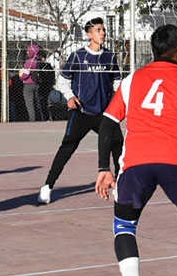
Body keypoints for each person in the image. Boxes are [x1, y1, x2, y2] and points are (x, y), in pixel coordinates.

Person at [95, 24, 177, 276]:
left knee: (124, 226)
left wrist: (103, 168)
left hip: (135, 163)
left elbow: (107, 124)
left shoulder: (132, 80)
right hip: (176, 161)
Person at [38, 17, 123, 204]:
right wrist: (69, 96)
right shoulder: (78, 56)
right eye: (98, 30)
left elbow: (117, 82)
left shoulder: (109, 57)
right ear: (89, 34)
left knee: (118, 145)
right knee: (68, 147)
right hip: (82, 111)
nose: (102, 33)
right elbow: (63, 80)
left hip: (105, 113)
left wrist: (118, 101)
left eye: (103, 30)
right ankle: (47, 186)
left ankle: (119, 186)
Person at [19, 43, 41, 122]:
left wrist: (20, 75)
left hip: (28, 84)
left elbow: (25, 75)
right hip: (36, 84)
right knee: (36, 102)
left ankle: (32, 119)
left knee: (29, 104)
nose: (27, 53)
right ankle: (39, 118)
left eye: (28, 51)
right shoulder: (38, 60)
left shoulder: (30, 61)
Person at [36, 50, 56, 121]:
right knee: (43, 102)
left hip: (44, 87)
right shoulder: (46, 66)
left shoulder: (44, 66)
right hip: (46, 86)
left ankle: (44, 117)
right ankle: (45, 116)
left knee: (43, 102)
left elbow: (51, 76)